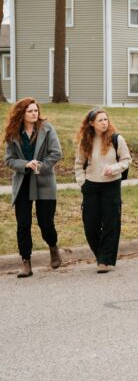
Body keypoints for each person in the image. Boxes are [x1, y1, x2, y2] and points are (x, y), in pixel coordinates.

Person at [4, 98, 62, 278]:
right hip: (22, 182)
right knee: (23, 224)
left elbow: (56, 153)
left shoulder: (47, 128)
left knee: (46, 223)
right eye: (30, 111)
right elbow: (9, 160)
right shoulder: (13, 133)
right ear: (22, 113)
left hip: (44, 180)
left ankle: (53, 247)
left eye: (35, 110)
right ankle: (26, 262)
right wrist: (25, 164)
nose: (34, 113)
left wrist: (40, 166)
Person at [74, 108, 131, 273]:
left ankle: (105, 260)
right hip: (90, 186)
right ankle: (100, 254)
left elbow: (126, 160)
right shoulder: (86, 141)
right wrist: (82, 182)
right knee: (90, 224)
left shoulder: (116, 139)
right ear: (92, 123)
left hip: (112, 185)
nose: (104, 123)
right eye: (100, 120)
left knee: (111, 223)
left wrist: (114, 168)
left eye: (106, 119)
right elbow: (79, 163)